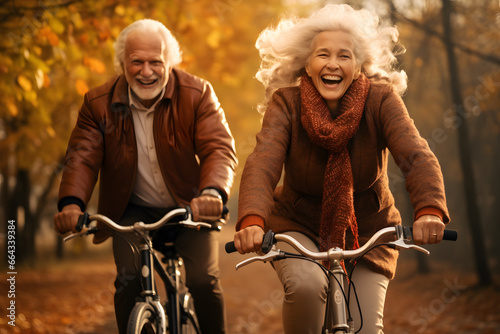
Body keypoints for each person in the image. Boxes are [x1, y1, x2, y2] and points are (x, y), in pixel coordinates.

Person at [232, 4, 450, 334]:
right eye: (323, 54)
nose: (333, 64)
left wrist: (429, 210)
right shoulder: (286, 104)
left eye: (344, 56)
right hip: (297, 224)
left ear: (359, 65)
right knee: (307, 287)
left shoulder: (381, 100)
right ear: (306, 63)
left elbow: (416, 155)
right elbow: (263, 162)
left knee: (364, 328)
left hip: (369, 229)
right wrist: (252, 219)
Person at [54, 19, 237, 334]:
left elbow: (218, 148)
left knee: (202, 282)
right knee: (129, 280)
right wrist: (71, 203)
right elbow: (82, 157)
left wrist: (211, 193)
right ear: (122, 64)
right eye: (136, 61)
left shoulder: (197, 93)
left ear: (170, 62)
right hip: (131, 211)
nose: (146, 71)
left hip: (190, 205)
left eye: (156, 62)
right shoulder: (97, 104)